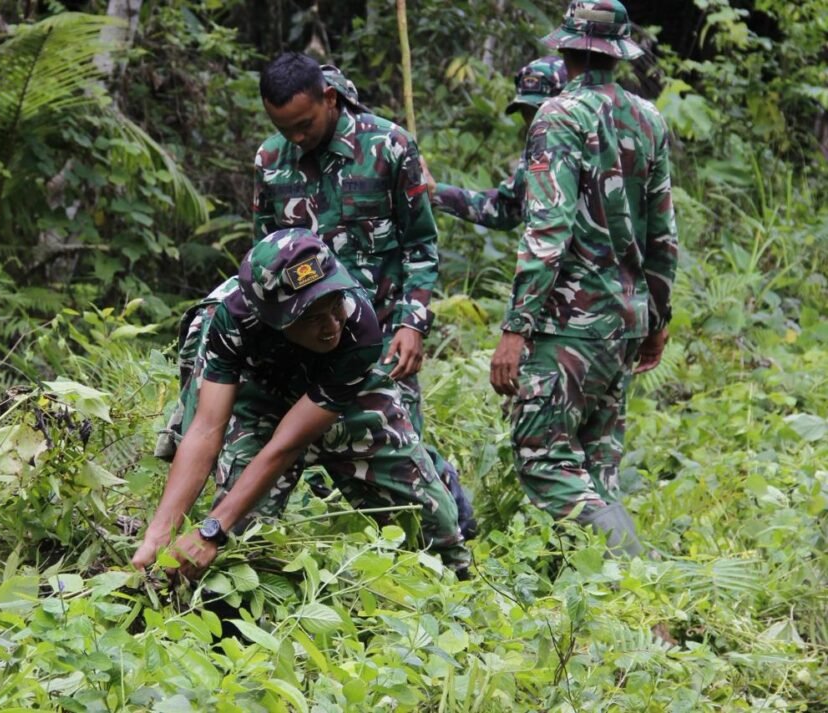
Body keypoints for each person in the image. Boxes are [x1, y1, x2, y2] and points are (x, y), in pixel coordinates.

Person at [137, 229, 469, 579]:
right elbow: (206, 429)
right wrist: (160, 531)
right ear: (269, 317)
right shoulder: (232, 319)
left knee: (429, 513)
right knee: (240, 533)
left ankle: (455, 584)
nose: (330, 326)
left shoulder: (358, 329)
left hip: (341, 390)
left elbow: (286, 446)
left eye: (334, 305)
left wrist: (211, 528)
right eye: (311, 317)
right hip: (260, 389)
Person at [252, 52, 476, 538]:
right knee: (315, 442)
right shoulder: (271, 161)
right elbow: (263, 259)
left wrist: (413, 324)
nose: (296, 137)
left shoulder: (389, 146)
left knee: (400, 447)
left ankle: (445, 535)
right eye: (283, 126)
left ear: (329, 99)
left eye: (304, 124)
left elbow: (420, 244)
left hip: (383, 333)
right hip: (310, 336)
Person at [488, 0, 678, 557]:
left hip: (567, 324)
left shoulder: (558, 116)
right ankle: (614, 607)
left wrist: (516, 328)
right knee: (597, 463)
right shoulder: (649, 119)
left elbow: (547, 229)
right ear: (618, 51)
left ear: (564, 48)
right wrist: (657, 317)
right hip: (622, 322)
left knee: (544, 457)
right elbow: (662, 230)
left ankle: (634, 569)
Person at [427, 56, 568, 230]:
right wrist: (435, 192)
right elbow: (506, 208)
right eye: (527, 112)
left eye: (540, 111)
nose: (533, 120)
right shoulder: (536, 150)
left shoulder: (594, 145)